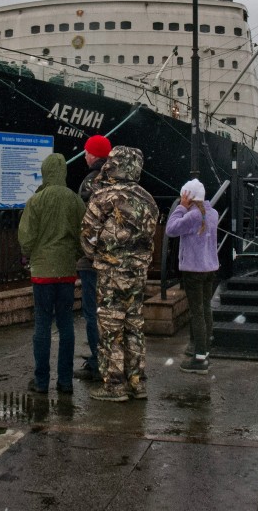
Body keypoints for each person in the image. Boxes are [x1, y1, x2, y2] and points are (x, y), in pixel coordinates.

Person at [80, 146, 159, 402]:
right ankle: (137, 382)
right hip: (137, 274)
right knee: (134, 325)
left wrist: (100, 255)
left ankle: (114, 385)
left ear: (112, 164)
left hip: (111, 273)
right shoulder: (148, 199)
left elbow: (87, 237)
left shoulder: (102, 196)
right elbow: (150, 235)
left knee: (111, 328)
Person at [19, 152, 86, 394]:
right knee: (66, 323)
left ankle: (41, 381)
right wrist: (73, 254)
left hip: (42, 273)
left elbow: (25, 240)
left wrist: (34, 253)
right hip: (66, 271)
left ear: (45, 172)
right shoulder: (75, 200)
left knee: (42, 323)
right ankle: (65, 381)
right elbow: (84, 236)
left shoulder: (36, 201)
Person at [165, 178, 219, 374]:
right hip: (210, 269)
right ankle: (205, 349)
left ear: (187, 196)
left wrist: (180, 207)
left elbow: (171, 229)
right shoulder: (213, 214)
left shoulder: (192, 217)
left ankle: (199, 358)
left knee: (196, 312)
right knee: (205, 308)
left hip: (193, 270)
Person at [74, 134, 112, 383]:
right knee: (113, 312)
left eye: (87, 152)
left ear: (94, 155)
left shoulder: (91, 182)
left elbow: (84, 219)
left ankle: (98, 363)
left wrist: (86, 253)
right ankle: (115, 360)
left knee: (93, 313)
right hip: (115, 259)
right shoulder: (118, 179)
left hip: (93, 259)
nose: (84, 155)